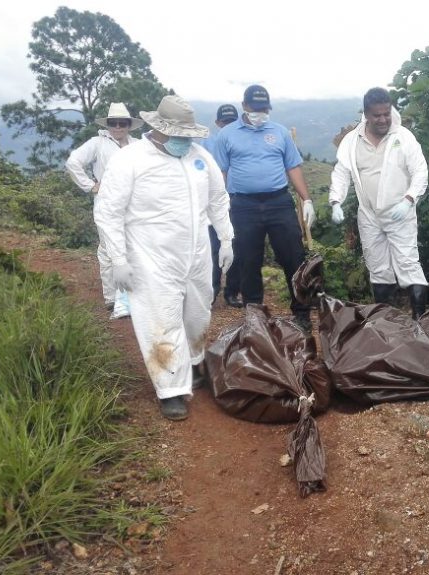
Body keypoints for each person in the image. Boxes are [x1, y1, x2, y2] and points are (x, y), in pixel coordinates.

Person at [94, 95, 234, 421]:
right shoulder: (130, 160)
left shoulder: (200, 159)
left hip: (197, 253)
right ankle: (170, 389)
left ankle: (195, 361)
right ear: (158, 129)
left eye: (188, 136)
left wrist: (226, 238)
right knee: (162, 318)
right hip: (150, 256)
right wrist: (118, 259)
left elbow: (217, 199)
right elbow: (108, 212)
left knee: (198, 313)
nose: (184, 141)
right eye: (178, 135)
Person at [210, 85, 315, 329]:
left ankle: (301, 312)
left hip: (279, 202)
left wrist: (306, 199)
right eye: (255, 108)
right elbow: (221, 173)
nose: (260, 112)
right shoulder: (227, 135)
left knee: (294, 257)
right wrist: (217, 206)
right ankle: (255, 314)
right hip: (243, 205)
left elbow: (293, 167)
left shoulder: (280, 133)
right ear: (244, 106)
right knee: (248, 260)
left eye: (264, 108)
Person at [328, 88, 429, 317]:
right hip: (369, 215)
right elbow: (342, 172)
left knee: (409, 264)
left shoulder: (403, 137)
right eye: (377, 115)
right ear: (366, 114)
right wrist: (336, 200)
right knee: (378, 268)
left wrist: (409, 199)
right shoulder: (352, 141)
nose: (383, 119)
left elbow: (420, 172)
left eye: (387, 113)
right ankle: (386, 323)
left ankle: (419, 321)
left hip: (400, 213)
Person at [65, 102, 144, 314]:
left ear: (129, 125)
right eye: (113, 123)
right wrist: (91, 186)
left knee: (134, 248)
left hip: (134, 203)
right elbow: (73, 162)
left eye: (122, 123)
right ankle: (112, 298)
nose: (118, 127)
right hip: (107, 201)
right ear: (108, 124)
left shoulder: (138, 145)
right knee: (109, 249)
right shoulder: (97, 143)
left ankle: (134, 297)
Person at [202, 104, 240, 305]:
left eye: (233, 121)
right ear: (218, 123)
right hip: (214, 201)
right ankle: (212, 290)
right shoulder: (207, 143)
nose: (228, 125)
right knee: (215, 246)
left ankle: (232, 292)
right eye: (225, 122)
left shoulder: (243, 140)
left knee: (236, 244)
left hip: (238, 198)